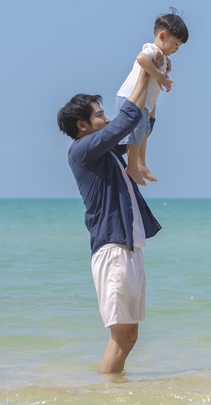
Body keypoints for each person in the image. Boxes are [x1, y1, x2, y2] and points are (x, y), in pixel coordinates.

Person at [57, 63, 161, 374]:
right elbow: (128, 119)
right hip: (112, 249)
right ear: (83, 125)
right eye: (100, 114)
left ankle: (112, 393)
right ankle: (107, 395)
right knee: (121, 336)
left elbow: (139, 127)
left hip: (127, 245)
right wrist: (145, 70)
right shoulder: (83, 150)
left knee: (129, 337)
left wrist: (153, 96)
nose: (106, 118)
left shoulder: (103, 152)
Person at [115, 10, 189, 185]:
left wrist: (164, 74)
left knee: (144, 131)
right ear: (163, 36)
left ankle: (141, 163)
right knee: (136, 132)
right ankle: (132, 166)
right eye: (176, 44)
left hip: (145, 102)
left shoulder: (161, 56)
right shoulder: (151, 48)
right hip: (131, 97)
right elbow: (141, 59)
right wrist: (159, 76)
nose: (176, 50)